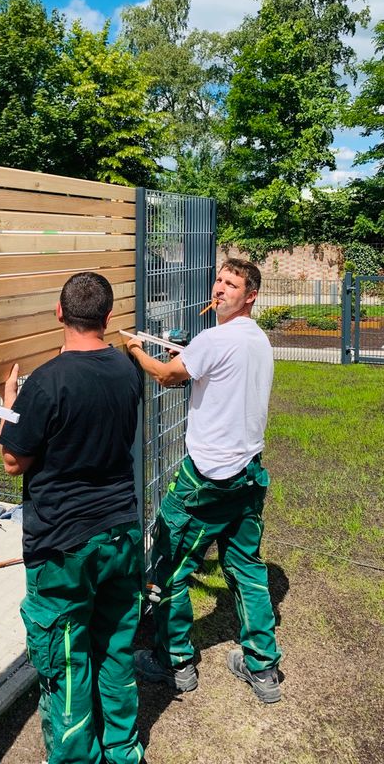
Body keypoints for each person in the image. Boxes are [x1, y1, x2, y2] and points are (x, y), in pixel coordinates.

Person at [0, 271, 146, 764]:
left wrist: (10, 408)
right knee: (116, 646)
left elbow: (13, 460)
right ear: (107, 318)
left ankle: (77, 758)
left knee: (65, 659)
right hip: (121, 535)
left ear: (59, 313)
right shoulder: (128, 370)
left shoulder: (45, 382)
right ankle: (123, 749)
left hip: (63, 549)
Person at [126, 257, 282, 704]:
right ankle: (262, 666)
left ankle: (173, 661)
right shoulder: (257, 340)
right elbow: (206, 377)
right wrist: (188, 359)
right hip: (248, 475)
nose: (219, 289)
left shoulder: (216, 338)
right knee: (248, 569)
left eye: (230, 284)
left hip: (207, 479)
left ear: (250, 295)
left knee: (169, 568)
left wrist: (136, 349)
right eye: (217, 280)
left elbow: (164, 375)